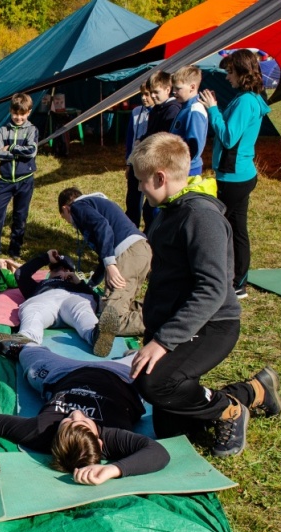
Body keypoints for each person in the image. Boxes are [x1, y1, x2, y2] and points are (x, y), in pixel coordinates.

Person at [128, 133, 281, 457]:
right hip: (179, 322)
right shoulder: (168, 210)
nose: (140, 188)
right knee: (169, 429)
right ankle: (255, 390)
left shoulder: (200, 217)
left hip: (213, 324)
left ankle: (231, 410)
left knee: (154, 384)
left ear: (160, 177)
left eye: (142, 181)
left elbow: (212, 288)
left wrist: (163, 341)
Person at [0, 344, 169, 485]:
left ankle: (21, 346)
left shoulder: (41, 431)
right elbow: (158, 453)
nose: (77, 413)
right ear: (100, 442)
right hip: (121, 376)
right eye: (83, 422)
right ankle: (133, 353)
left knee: (30, 354)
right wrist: (114, 469)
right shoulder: (111, 437)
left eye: (69, 421)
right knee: (152, 362)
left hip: (61, 374)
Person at [199, 49, 271, 299]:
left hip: (235, 177)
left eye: (230, 72)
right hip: (237, 174)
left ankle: (237, 281)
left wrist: (213, 109)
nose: (227, 77)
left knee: (232, 229)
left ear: (241, 73)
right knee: (236, 227)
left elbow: (229, 137)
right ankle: (237, 279)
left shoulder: (246, 101)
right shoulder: (247, 97)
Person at [57, 187, 150, 339]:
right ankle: (157, 311)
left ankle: (161, 322)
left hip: (127, 253)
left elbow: (102, 226)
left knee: (110, 321)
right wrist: (90, 285)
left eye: (64, 218)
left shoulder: (77, 207)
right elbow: (103, 252)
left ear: (65, 209)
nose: (70, 223)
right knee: (116, 305)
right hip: (140, 250)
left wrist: (110, 265)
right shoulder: (95, 205)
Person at [0, 250, 116, 358]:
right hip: (44, 300)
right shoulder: (39, 285)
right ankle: (24, 341)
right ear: (49, 273)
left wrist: (79, 283)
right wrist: (45, 258)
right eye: (56, 269)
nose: (62, 272)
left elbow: (95, 300)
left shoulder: (78, 286)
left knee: (83, 308)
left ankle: (95, 336)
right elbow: (20, 273)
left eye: (67, 269)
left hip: (72, 297)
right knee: (32, 309)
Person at [0, 93, 38, 258]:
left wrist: (11, 148)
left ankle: (15, 250)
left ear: (28, 112)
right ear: (10, 111)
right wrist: (12, 154)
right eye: (15, 114)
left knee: (20, 217)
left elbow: (31, 151)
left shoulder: (32, 130)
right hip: (5, 181)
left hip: (25, 181)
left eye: (22, 114)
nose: (18, 117)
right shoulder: (3, 130)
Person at [140, 71, 182, 232]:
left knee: (156, 210)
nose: (153, 96)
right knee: (149, 209)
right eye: (151, 93)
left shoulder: (172, 110)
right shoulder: (157, 109)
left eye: (156, 92)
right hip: (153, 163)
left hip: (162, 166)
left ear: (167, 89)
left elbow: (163, 138)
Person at [123, 81, 153, 227]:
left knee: (151, 203)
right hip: (136, 161)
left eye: (147, 94)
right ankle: (131, 229)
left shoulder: (161, 112)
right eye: (142, 94)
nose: (144, 98)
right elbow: (130, 139)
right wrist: (128, 163)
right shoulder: (136, 112)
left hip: (151, 164)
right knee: (133, 200)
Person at [170, 66, 208, 177]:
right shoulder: (185, 107)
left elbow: (194, 146)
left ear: (192, 87)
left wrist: (181, 165)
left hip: (188, 170)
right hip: (179, 166)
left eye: (178, 88)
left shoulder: (195, 109)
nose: (174, 92)